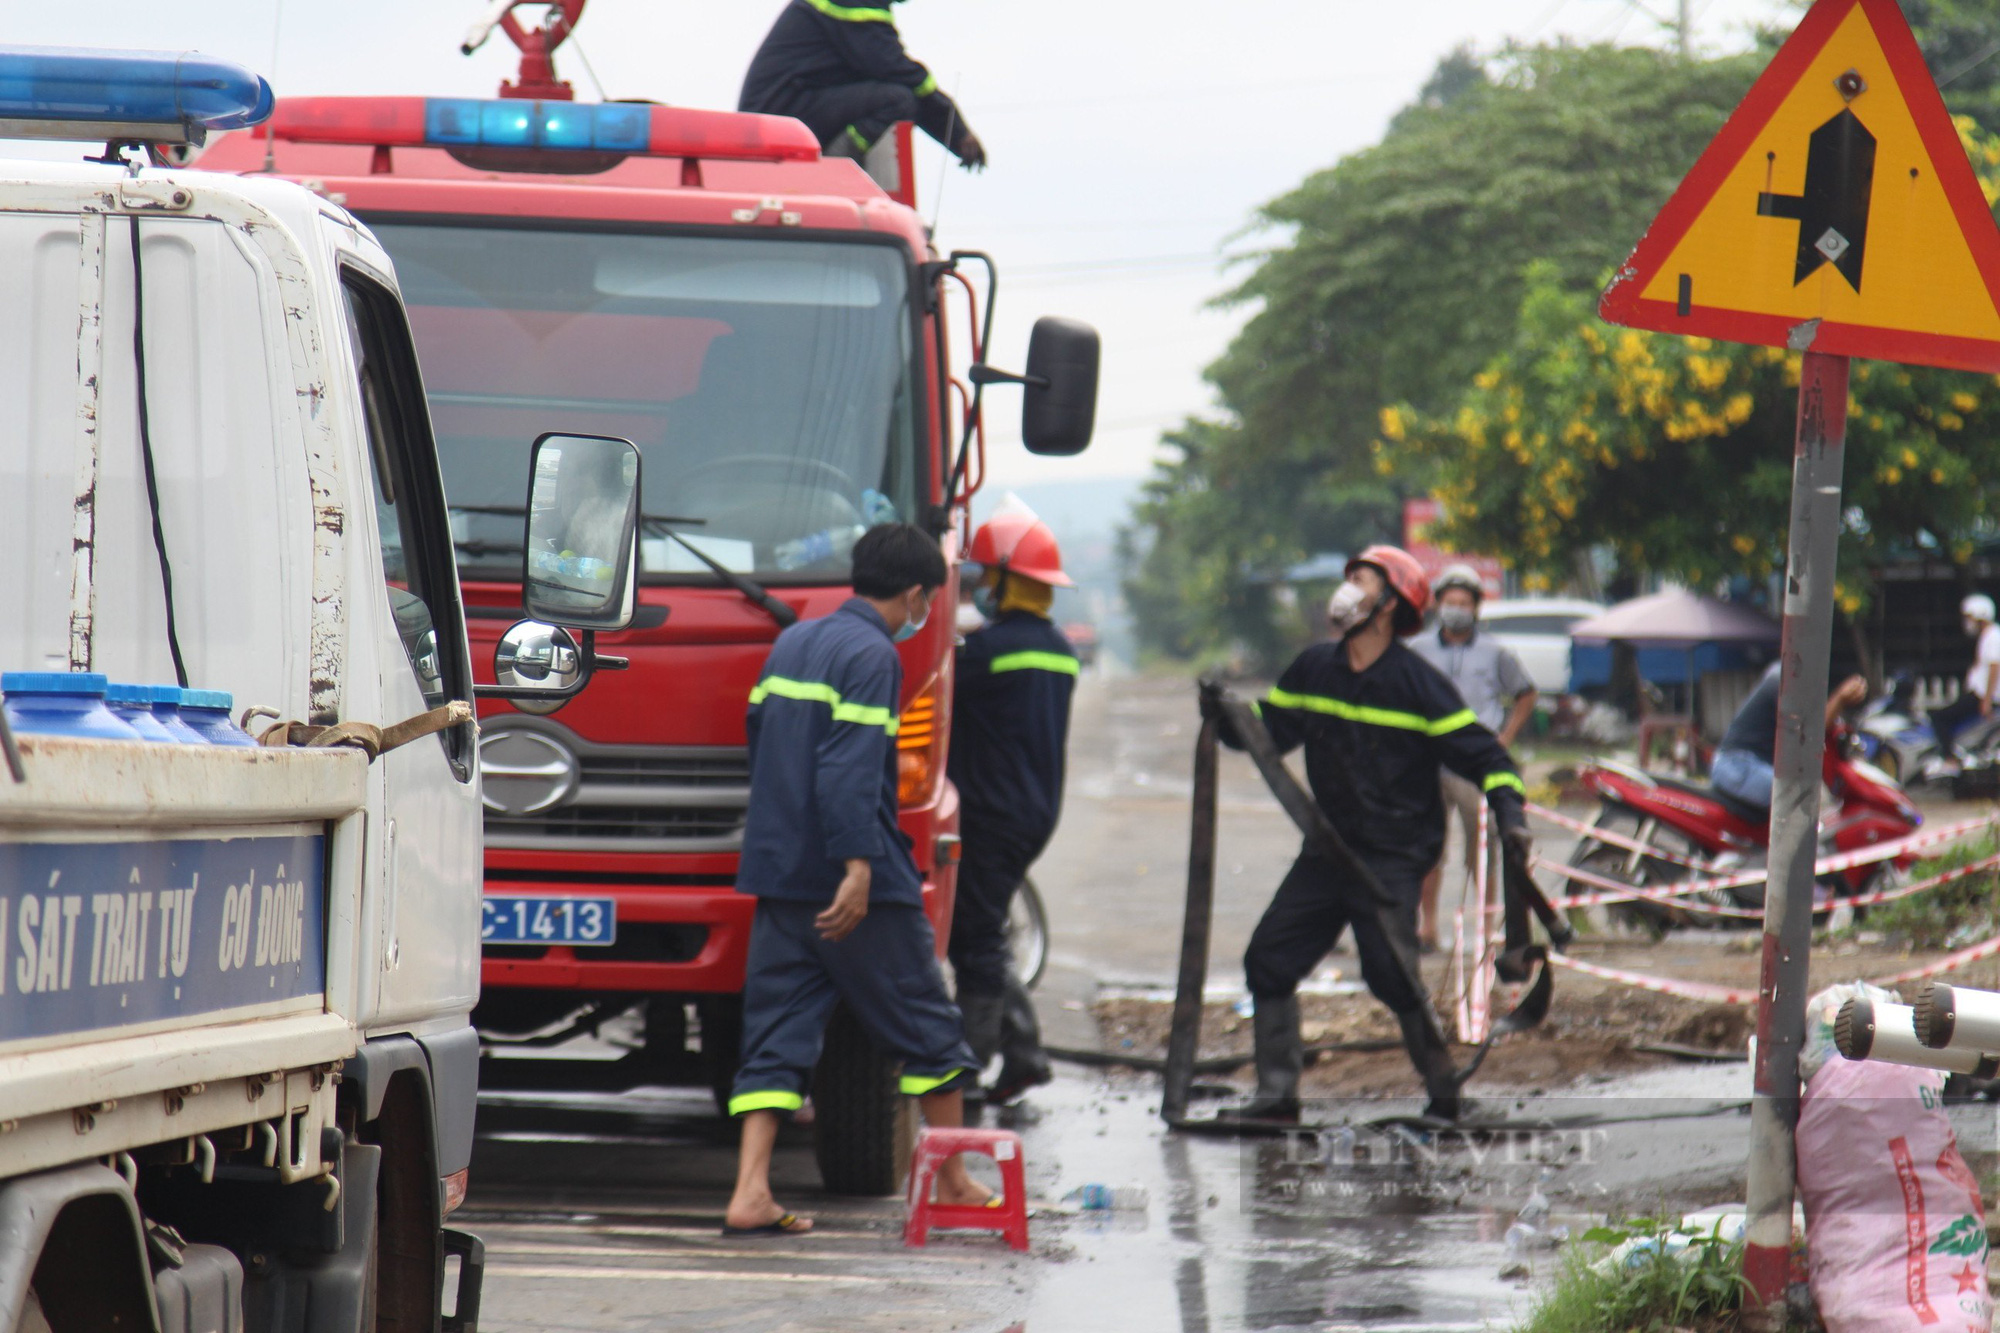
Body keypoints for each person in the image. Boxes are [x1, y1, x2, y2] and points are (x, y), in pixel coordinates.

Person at [723, 523, 988, 1235]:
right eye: (927, 597)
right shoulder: (874, 655)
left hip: (781, 874)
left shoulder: (794, 641)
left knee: (774, 1034)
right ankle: (956, 1178)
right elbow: (847, 768)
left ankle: (750, 1189)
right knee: (927, 1025)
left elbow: (757, 735)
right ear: (915, 593)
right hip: (853, 882)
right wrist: (859, 864)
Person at [1205, 546, 1530, 1125]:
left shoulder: (1418, 686)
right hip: (1328, 850)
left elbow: (1486, 757)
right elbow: (1269, 734)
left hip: (1396, 856)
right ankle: (1277, 1098)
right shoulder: (1313, 669)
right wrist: (1227, 716)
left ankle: (1447, 1095)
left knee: (1391, 972)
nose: (1347, 589)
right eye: (1349, 577)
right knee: (1269, 960)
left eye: (1362, 580)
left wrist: (1510, 813)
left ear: (1391, 603)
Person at [948, 508, 1079, 1105]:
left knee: (976, 939)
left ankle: (968, 1071)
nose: (976, 585)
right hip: (1033, 811)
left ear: (1005, 581)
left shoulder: (985, 653)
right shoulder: (1058, 650)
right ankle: (1024, 1056)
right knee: (984, 929)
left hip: (991, 813)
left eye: (982, 576)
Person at [1410, 565, 1537, 953]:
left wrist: (1503, 739)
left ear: (1477, 609)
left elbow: (1525, 694)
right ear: (1437, 606)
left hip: (1475, 765)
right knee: (1428, 851)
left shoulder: (1496, 652)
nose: (1457, 610)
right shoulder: (1418, 650)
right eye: (1450, 603)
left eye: (1464, 603)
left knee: (1482, 852)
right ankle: (1426, 928)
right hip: (1429, 763)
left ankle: (1486, 928)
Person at [740, 0, 986, 169]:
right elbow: (896, 70)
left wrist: (955, 134)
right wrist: (958, 132)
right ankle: (833, 170)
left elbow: (894, 72)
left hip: (784, 113)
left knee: (899, 97)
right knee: (896, 100)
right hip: (782, 119)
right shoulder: (855, 2)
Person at [1710, 663, 1869, 810]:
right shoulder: (1784, 680)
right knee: (1807, 797)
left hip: (1750, 765)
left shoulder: (1792, 677)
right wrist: (1840, 698)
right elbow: (1812, 732)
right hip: (1739, 765)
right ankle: (1812, 842)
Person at [1929, 594, 2000, 760]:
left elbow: (1994, 668)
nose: (1967, 622)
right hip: (1980, 694)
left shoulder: (1992, 636)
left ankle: (1949, 758)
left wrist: (1986, 701)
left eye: (1969, 618)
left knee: (1940, 718)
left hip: (1982, 696)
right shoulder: (1988, 636)